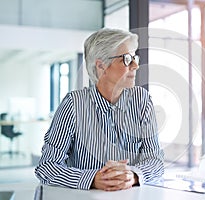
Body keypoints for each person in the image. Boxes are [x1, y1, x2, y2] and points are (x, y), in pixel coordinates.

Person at [35, 28, 164, 191]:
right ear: (101, 66)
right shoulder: (73, 104)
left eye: (134, 58)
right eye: (127, 59)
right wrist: (93, 179)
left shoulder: (142, 100)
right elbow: (46, 167)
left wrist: (134, 175)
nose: (136, 65)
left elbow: (156, 160)